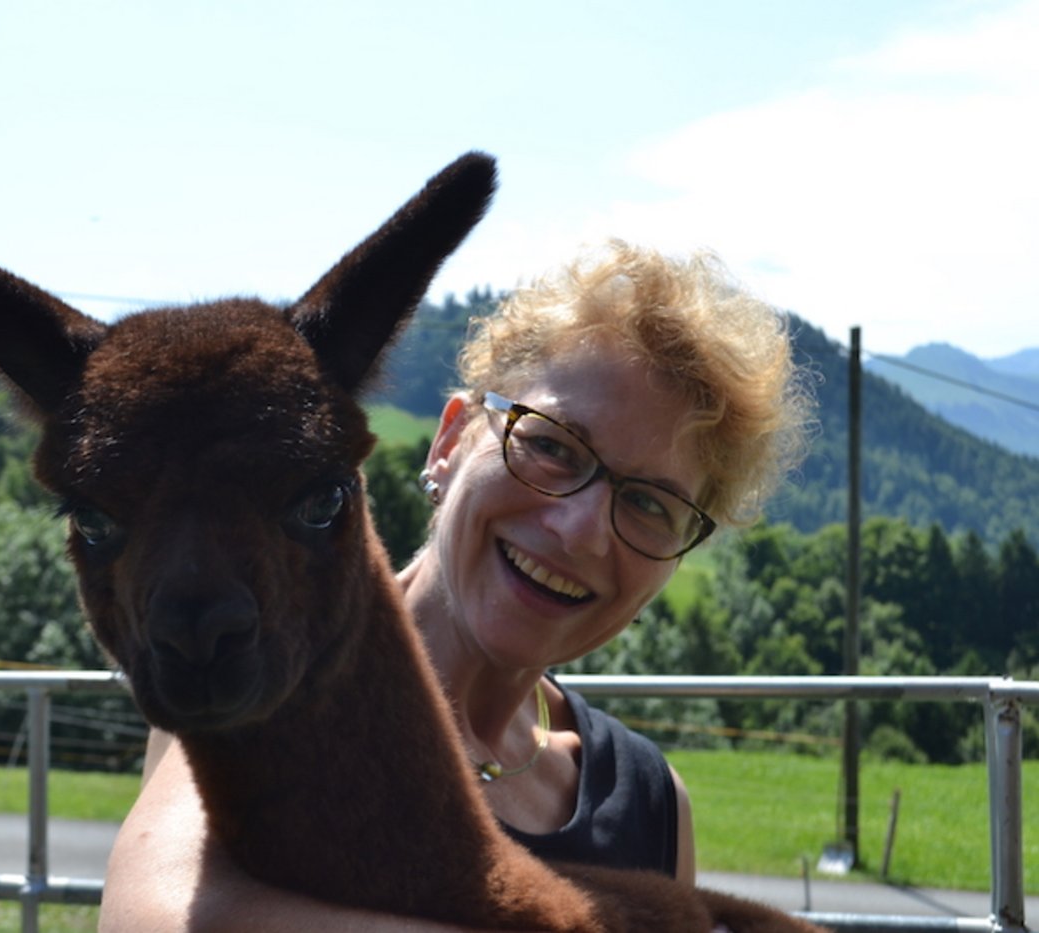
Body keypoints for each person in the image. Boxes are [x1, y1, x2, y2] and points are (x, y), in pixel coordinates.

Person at [100, 239, 814, 931]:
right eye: (552, 445)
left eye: (651, 503)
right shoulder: (264, 670)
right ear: (450, 443)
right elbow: (148, 920)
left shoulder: (653, 804)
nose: (581, 528)